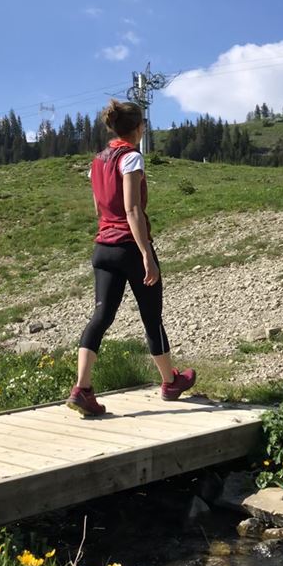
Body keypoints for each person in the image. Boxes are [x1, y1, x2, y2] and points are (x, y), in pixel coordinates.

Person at [66, 99, 196, 417]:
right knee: (152, 316)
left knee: (101, 317)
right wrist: (146, 255)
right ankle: (170, 381)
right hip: (129, 247)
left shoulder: (97, 161)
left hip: (103, 248)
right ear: (139, 127)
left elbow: (100, 208)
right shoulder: (132, 158)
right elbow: (133, 209)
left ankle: (82, 388)